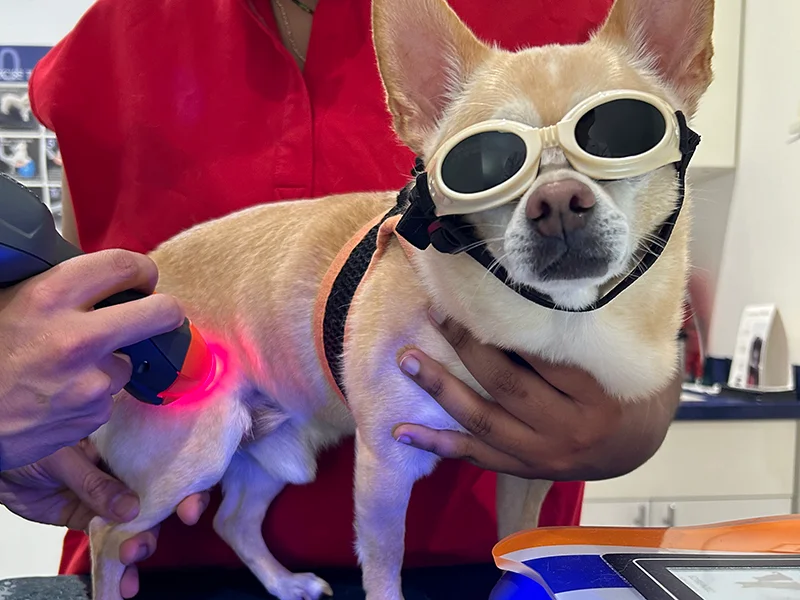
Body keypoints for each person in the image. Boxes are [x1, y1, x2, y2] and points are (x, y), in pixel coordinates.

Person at [0, 0, 683, 597]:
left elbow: (651, 297)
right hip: (164, 554)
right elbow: (69, 301)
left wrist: (637, 417)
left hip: (486, 565)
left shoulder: (583, 34)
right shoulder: (99, 51)